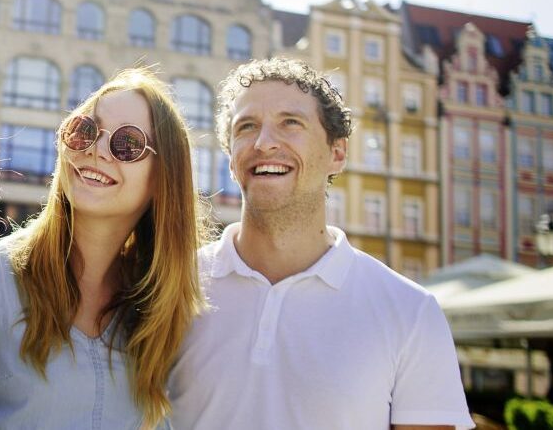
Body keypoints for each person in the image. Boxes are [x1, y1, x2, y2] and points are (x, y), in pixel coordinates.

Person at [168, 58, 474, 429]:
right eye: (246, 127)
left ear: (337, 153)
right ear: (231, 160)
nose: (264, 143)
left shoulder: (411, 313)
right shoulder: (172, 287)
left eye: (290, 123)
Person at [0, 68, 206, 429]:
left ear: (163, 176)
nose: (97, 150)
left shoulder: (176, 312)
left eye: (128, 144)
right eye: (84, 130)